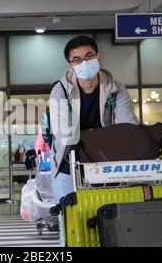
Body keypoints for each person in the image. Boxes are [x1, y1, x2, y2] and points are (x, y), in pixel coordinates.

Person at [49, 35, 138, 246]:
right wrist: (104, 137)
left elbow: (128, 128)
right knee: (70, 229)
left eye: (89, 56)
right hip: (67, 167)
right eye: (77, 59)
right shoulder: (60, 90)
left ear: (98, 56)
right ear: (70, 65)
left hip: (106, 166)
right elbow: (64, 133)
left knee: (109, 225)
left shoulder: (115, 89)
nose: (84, 62)